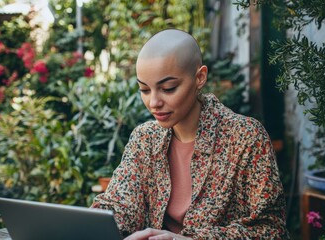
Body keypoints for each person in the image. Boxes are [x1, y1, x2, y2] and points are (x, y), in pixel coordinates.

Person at [91, 29, 289, 239]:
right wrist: (93, 224)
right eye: (145, 90)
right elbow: (120, 205)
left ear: (200, 77)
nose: (154, 102)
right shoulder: (144, 138)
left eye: (168, 88)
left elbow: (270, 229)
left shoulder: (245, 137)